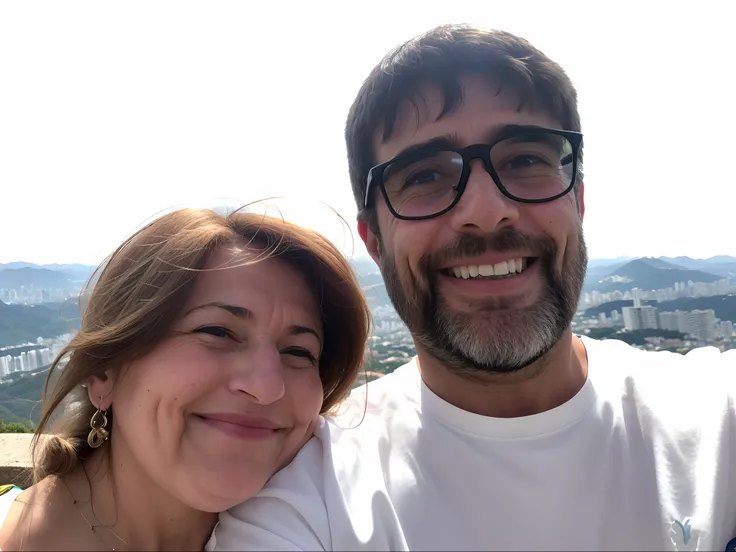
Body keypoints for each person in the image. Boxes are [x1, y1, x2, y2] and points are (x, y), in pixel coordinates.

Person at [210, 24, 736, 551]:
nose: (485, 212)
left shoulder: (718, 417)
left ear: (576, 200)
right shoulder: (306, 504)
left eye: (525, 159)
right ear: (374, 240)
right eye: (423, 176)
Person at [0, 207, 370, 550]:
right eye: (218, 332)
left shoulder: (326, 523)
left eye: (299, 352)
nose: (266, 386)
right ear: (102, 373)